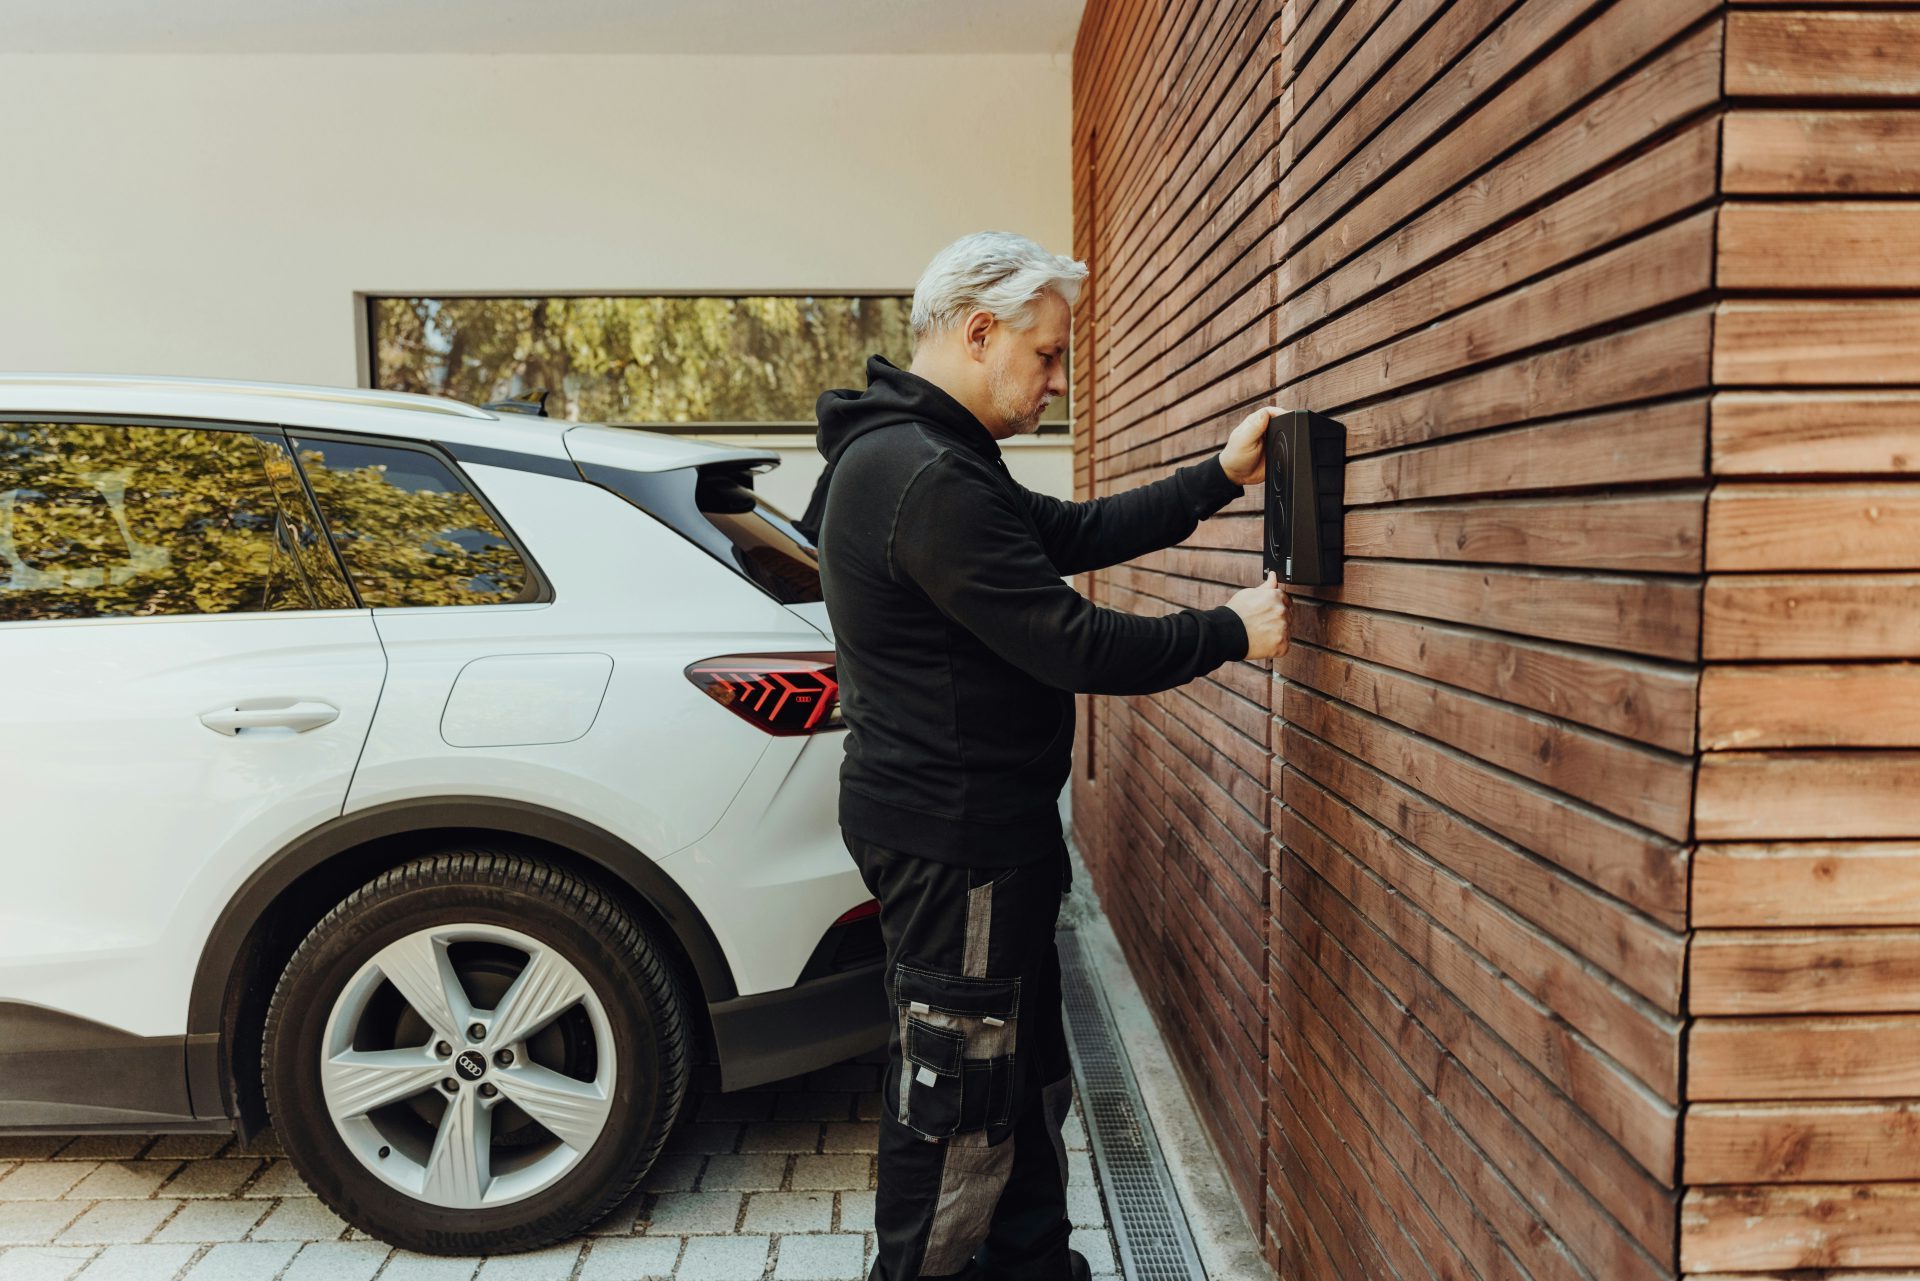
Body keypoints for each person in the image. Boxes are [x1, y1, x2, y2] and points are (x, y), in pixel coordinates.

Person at [805, 231, 1290, 1281]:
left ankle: (1033, 1266)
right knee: (958, 1098)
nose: (1058, 382)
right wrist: (1230, 631)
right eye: (1048, 356)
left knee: (1013, 1079)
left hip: (972, 834)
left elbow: (1066, 534)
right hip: (960, 842)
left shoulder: (922, 455)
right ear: (979, 333)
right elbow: (1069, 641)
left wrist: (1218, 477)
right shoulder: (921, 473)